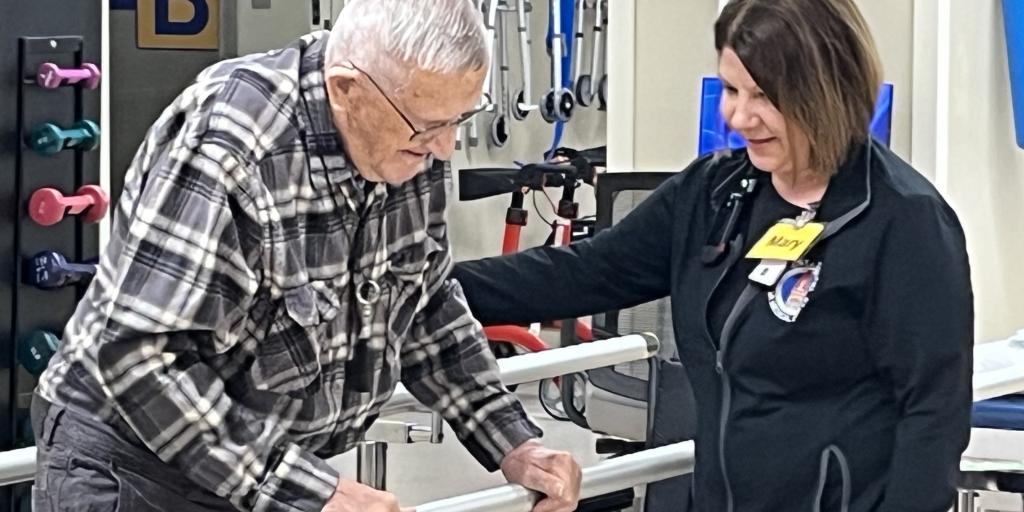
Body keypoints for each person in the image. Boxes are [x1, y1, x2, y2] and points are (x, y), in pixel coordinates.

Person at [30, 1, 582, 511]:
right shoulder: (230, 146)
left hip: (259, 464)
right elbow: (140, 357)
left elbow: (427, 305)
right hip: (134, 471)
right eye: (429, 127)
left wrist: (513, 441)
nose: (444, 148)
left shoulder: (411, 138)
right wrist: (311, 492)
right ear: (346, 90)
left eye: (459, 119)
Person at [453, 0, 974, 510]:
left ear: (829, 90)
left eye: (765, 95)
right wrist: (425, 289)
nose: (739, 116)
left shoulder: (903, 221)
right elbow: (581, 273)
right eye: (731, 89)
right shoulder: (715, 194)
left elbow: (932, 415)